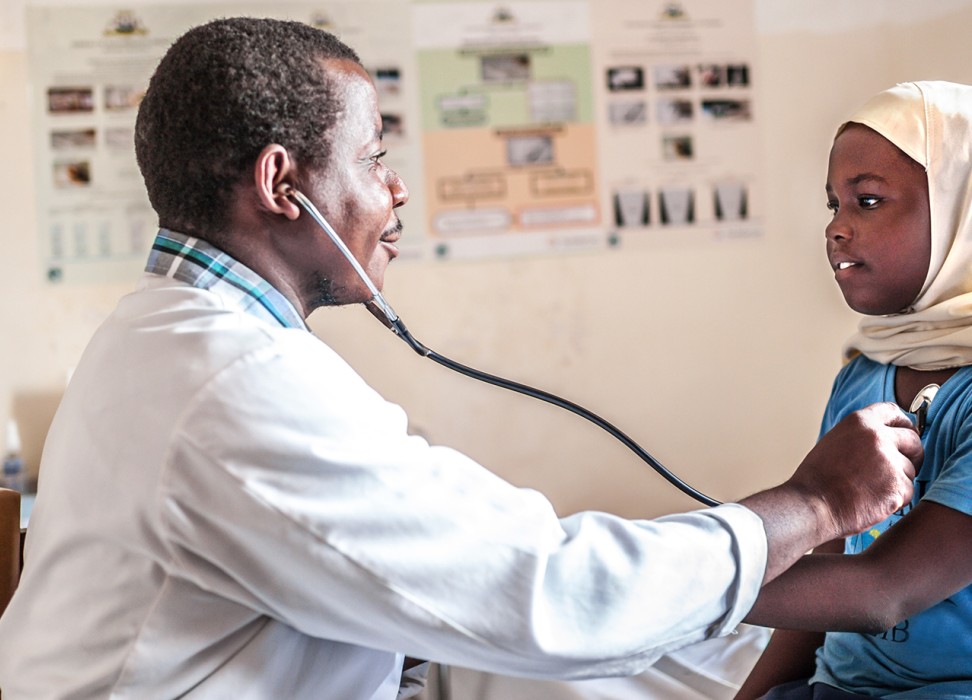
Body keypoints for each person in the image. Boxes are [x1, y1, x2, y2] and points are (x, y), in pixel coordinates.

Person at [0, 18, 920, 699]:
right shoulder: (232, 383)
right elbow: (546, 594)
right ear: (284, 185)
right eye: (373, 158)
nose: (397, 189)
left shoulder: (161, 337)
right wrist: (813, 503)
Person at [735, 81, 972, 700]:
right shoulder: (865, 375)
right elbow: (826, 565)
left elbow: (882, 590)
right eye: (833, 204)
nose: (836, 229)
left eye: (867, 201)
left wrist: (683, 584)